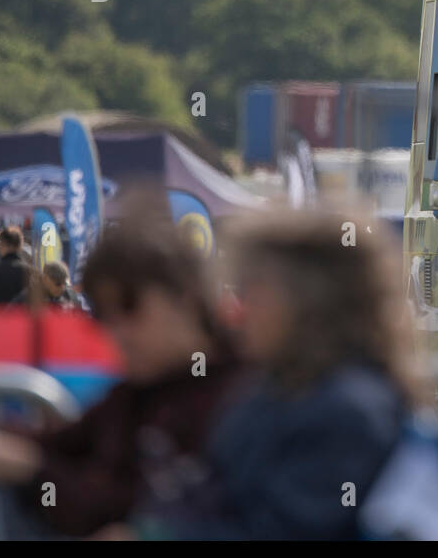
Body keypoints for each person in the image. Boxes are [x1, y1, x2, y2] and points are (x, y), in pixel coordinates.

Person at [0, 196, 240, 537]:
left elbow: (123, 505)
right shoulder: (138, 393)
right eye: (102, 315)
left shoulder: (237, 400)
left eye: (129, 305)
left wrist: (30, 469)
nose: (116, 330)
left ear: (185, 297)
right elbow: (62, 440)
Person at [134, 206, 421, 540]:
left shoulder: (348, 413)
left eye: (250, 291)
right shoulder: (272, 390)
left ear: (307, 302)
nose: (235, 312)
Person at [12, 260, 79, 308]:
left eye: (64, 284)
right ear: (45, 278)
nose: (62, 288)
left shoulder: (69, 296)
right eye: (58, 284)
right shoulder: (27, 298)